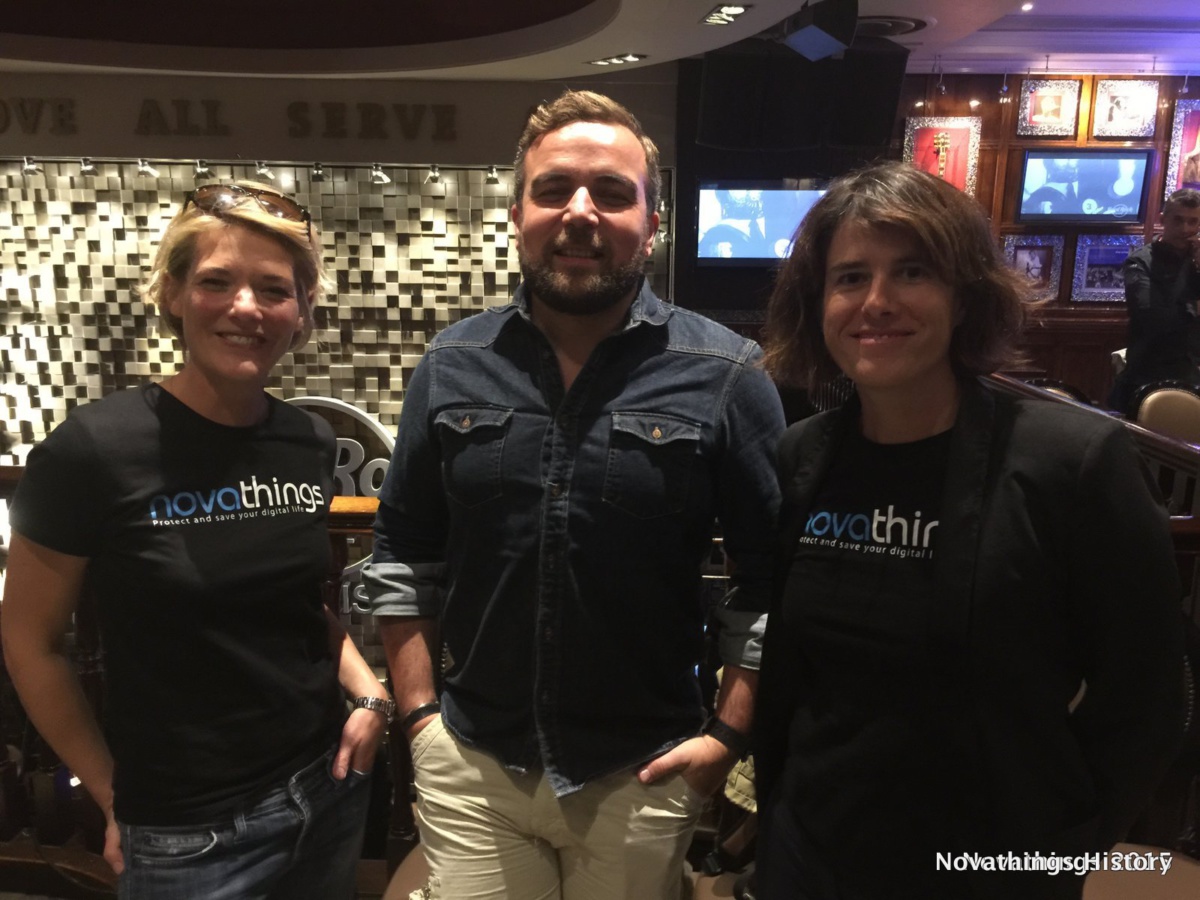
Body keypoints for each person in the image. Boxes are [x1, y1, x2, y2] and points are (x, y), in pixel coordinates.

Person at [364, 89, 784, 900]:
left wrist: (728, 736)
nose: (580, 212)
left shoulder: (727, 374)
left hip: (644, 769)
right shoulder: (451, 365)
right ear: (517, 214)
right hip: (474, 760)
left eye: (612, 193)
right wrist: (420, 722)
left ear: (652, 224)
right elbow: (404, 555)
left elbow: (769, 583)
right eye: (554, 189)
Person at [756, 161, 1184, 899]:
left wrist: (1059, 854)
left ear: (963, 296)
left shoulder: (1072, 460)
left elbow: (1146, 700)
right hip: (810, 857)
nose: (876, 301)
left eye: (912, 271)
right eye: (850, 277)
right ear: (818, 303)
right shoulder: (803, 455)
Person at [2, 182, 390, 899]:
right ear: (174, 293)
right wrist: (112, 794)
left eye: (274, 289)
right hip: (187, 835)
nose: (246, 307)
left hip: (326, 791)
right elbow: (31, 643)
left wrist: (370, 697)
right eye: (216, 281)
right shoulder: (92, 449)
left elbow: (295, 608)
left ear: (301, 311)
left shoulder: (307, 439)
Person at [1108, 188, 1200, 416]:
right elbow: (1154, 319)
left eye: (1193, 222)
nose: (1185, 229)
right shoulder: (1140, 262)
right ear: (1162, 219)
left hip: (1192, 373)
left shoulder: (1196, 261)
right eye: (1178, 220)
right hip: (1148, 375)